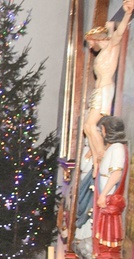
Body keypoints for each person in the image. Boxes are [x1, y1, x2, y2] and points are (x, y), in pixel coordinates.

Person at [82, 1, 133, 170]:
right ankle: (98, 158)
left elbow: (118, 33)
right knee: (88, 128)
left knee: (89, 126)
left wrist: (127, 13)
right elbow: (112, 28)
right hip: (99, 91)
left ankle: (101, 155)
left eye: (90, 41)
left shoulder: (111, 46)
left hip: (105, 89)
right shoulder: (103, 52)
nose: (90, 45)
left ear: (97, 39)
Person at [91, 115, 129, 259]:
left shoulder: (118, 148)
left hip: (109, 195)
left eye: (102, 130)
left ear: (107, 130)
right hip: (104, 192)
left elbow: (116, 174)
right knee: (102, 228)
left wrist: (104, 194)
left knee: (109, 230)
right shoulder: (112, 148)